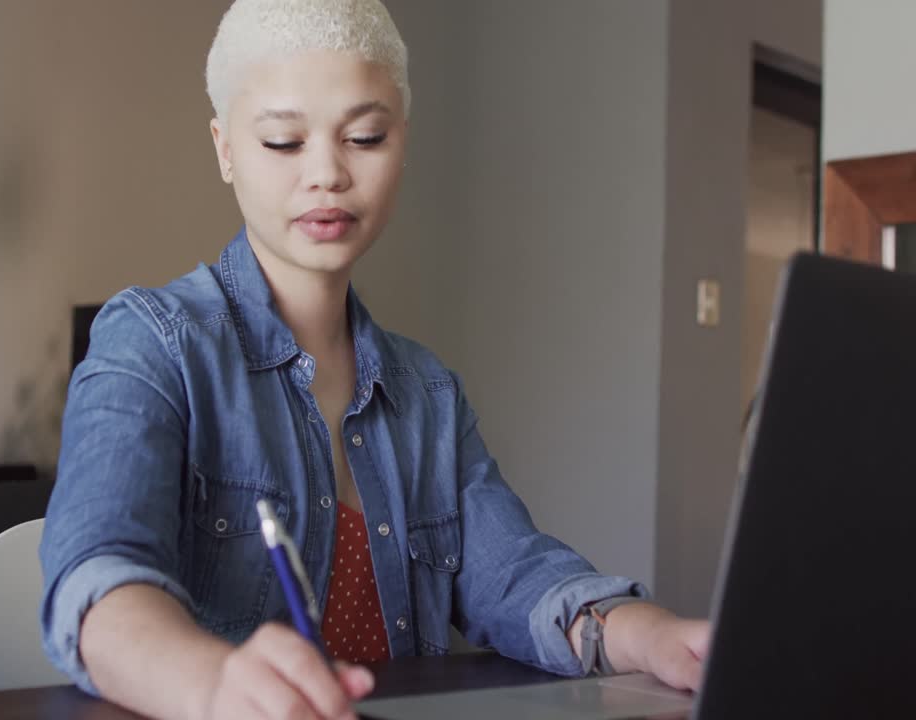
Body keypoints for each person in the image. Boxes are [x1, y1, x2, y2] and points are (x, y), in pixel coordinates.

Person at [39, 1, 710, 718]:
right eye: (282, 142)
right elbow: (99, 578)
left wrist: (652, 636)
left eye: (364, 135)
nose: (327, 173)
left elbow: (515, 577)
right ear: (225, 147)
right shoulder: (152, 342)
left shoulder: (428, 395)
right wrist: (213, 685)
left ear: (402, 140)